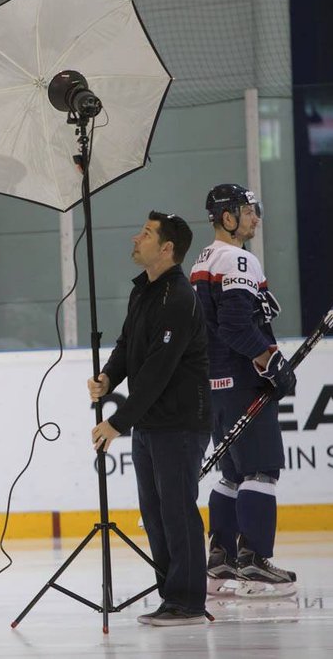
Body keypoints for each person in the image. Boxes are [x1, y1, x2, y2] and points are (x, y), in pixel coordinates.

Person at [88, 211, 211, 627]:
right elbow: (128, 344)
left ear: (167, 248)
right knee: (156, 513)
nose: (134, 238)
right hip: (152, 424)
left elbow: (159, 369)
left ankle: (189, 600)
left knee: (177, 510)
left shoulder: (179, 298)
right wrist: (108, 376)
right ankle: (171, 595)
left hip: (179, 422)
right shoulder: (143, 291)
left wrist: (116, 422)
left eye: (145, 234)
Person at [190, 184, 297, 597]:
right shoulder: (237, 258)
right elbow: (236, 325)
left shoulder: (205, 258)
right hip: (242, 380)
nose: (255, 217)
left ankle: (220, 562)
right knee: (261, 469)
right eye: (248, 211)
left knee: (232, 473)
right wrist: (270, 363)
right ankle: (253, 562)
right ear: (227, 216)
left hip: (216, 385)